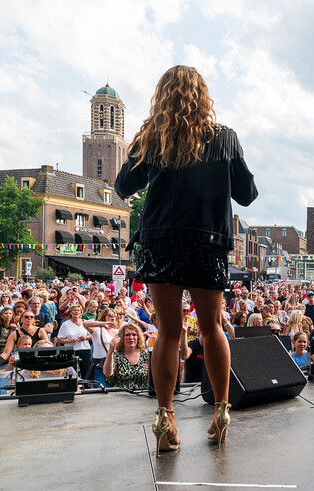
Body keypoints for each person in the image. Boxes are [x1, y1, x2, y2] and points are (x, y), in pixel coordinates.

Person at [115, 65, 258, 455]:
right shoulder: (224, 138)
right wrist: (231, 161)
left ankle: (165, 416)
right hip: (207, 242)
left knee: (168, 332)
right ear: (203, 96)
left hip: (161, 240)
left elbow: (123, 185)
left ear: (161, 97)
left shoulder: (154, 138)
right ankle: (222, 411)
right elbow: (248, 195)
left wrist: (142, 146)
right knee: (212, 329)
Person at [103, 324, 150, 391]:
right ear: (121, 338)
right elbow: (107, 374)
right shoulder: (116, 354)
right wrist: (110, 352)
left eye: (134, 335)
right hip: (121, 396)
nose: (131, 337)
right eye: (127, 335)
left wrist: (151, 371)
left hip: (142, 395)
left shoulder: (145, 354)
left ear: (138, 337)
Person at [57, 304, 93, 377]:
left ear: (81, 312)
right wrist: (68, 340)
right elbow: (59, 339)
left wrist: (85, 337)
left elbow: (92, 335)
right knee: (72, 372)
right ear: (70, 312)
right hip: (71, 350)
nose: (76, 312)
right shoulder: (65, 324)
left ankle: (87, 387)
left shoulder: (85, 322)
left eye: (78, 310)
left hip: (85, 349)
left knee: (87, 371)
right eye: (74, 310)